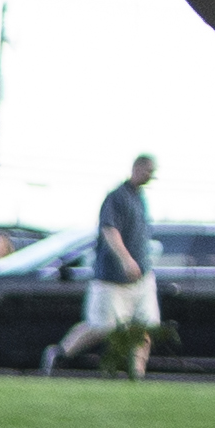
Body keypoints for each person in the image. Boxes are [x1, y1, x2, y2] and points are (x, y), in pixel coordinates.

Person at [56, 153, 158, 372]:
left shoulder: (141, 199)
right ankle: (59, 354)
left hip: (142, 278)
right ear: (136, 168)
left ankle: (136, 376)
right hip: (111, 279)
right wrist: (126, 260)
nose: (150, 176)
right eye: (148, 171)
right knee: (101, 327)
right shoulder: (116, 197)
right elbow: (109, 230)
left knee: (144, 328)